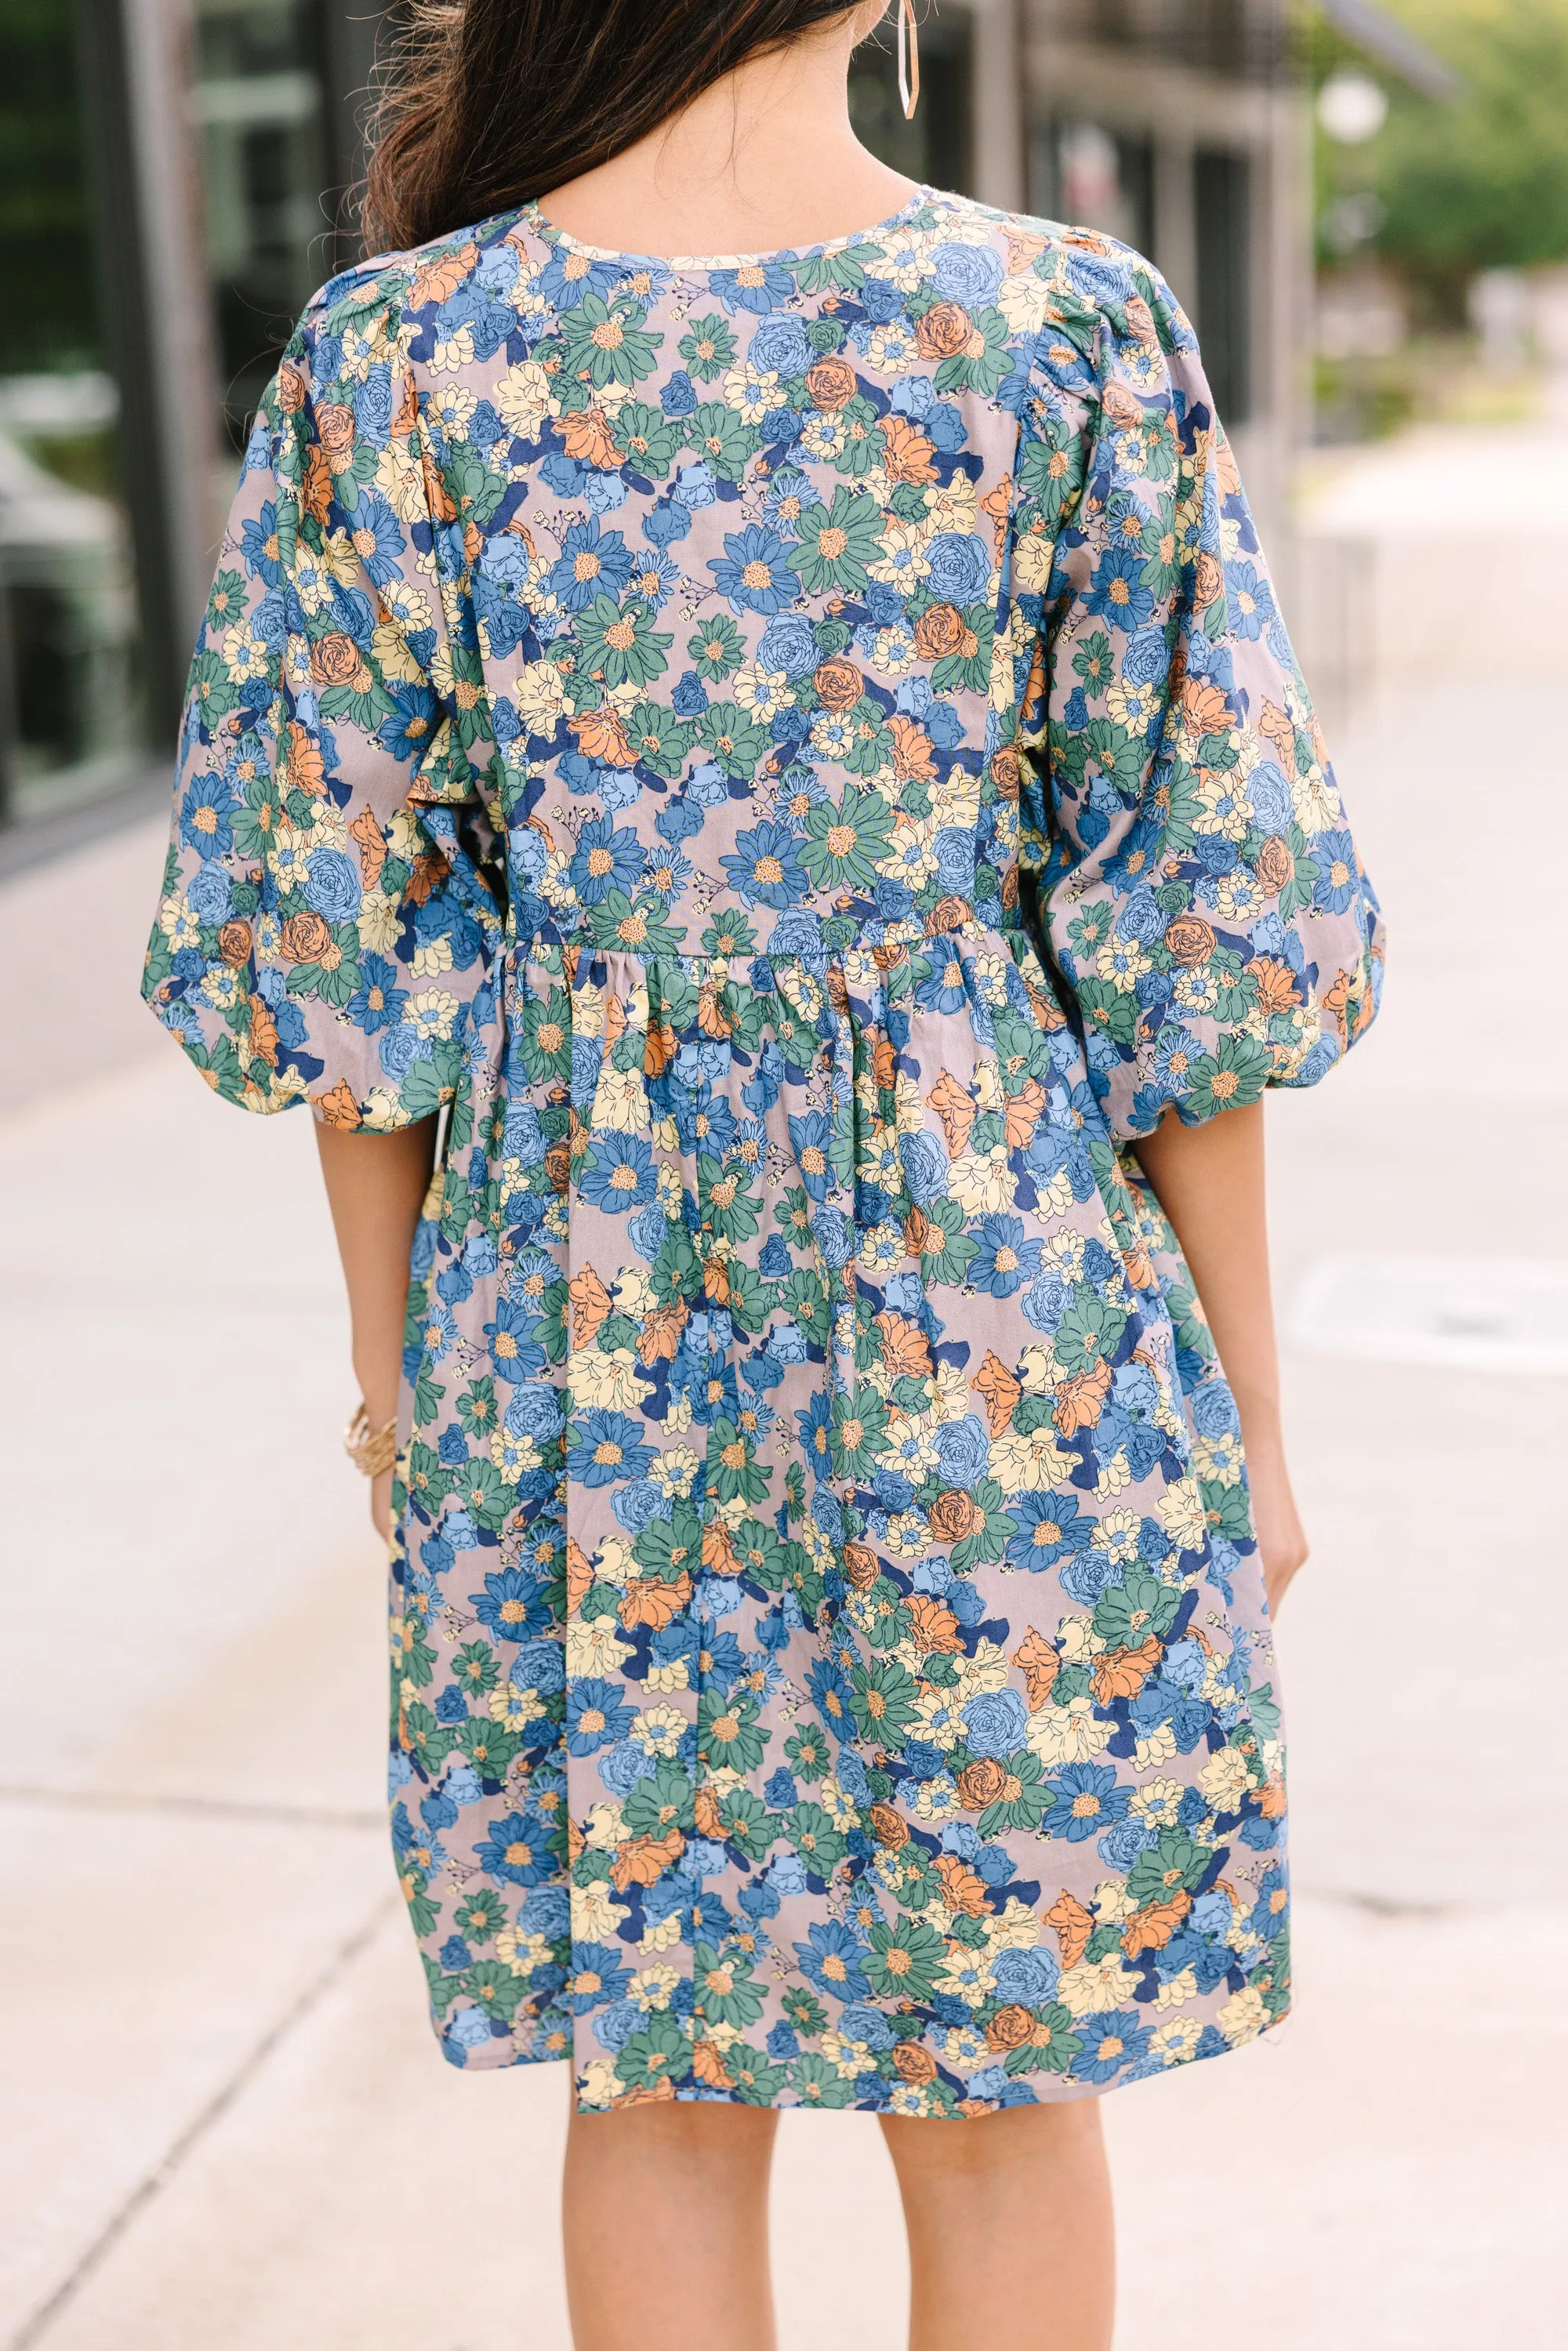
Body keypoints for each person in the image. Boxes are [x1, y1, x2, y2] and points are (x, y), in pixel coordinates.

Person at [141, 2, 1384, 2342]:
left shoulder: (397, 359)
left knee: (659, 2083)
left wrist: (405, 1388)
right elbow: (1191, 927)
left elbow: (335, 961)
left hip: (576, 1319)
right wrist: (1247, 1417)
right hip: (1011, 1316)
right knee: (1007, 2087)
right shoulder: (1061, 331)